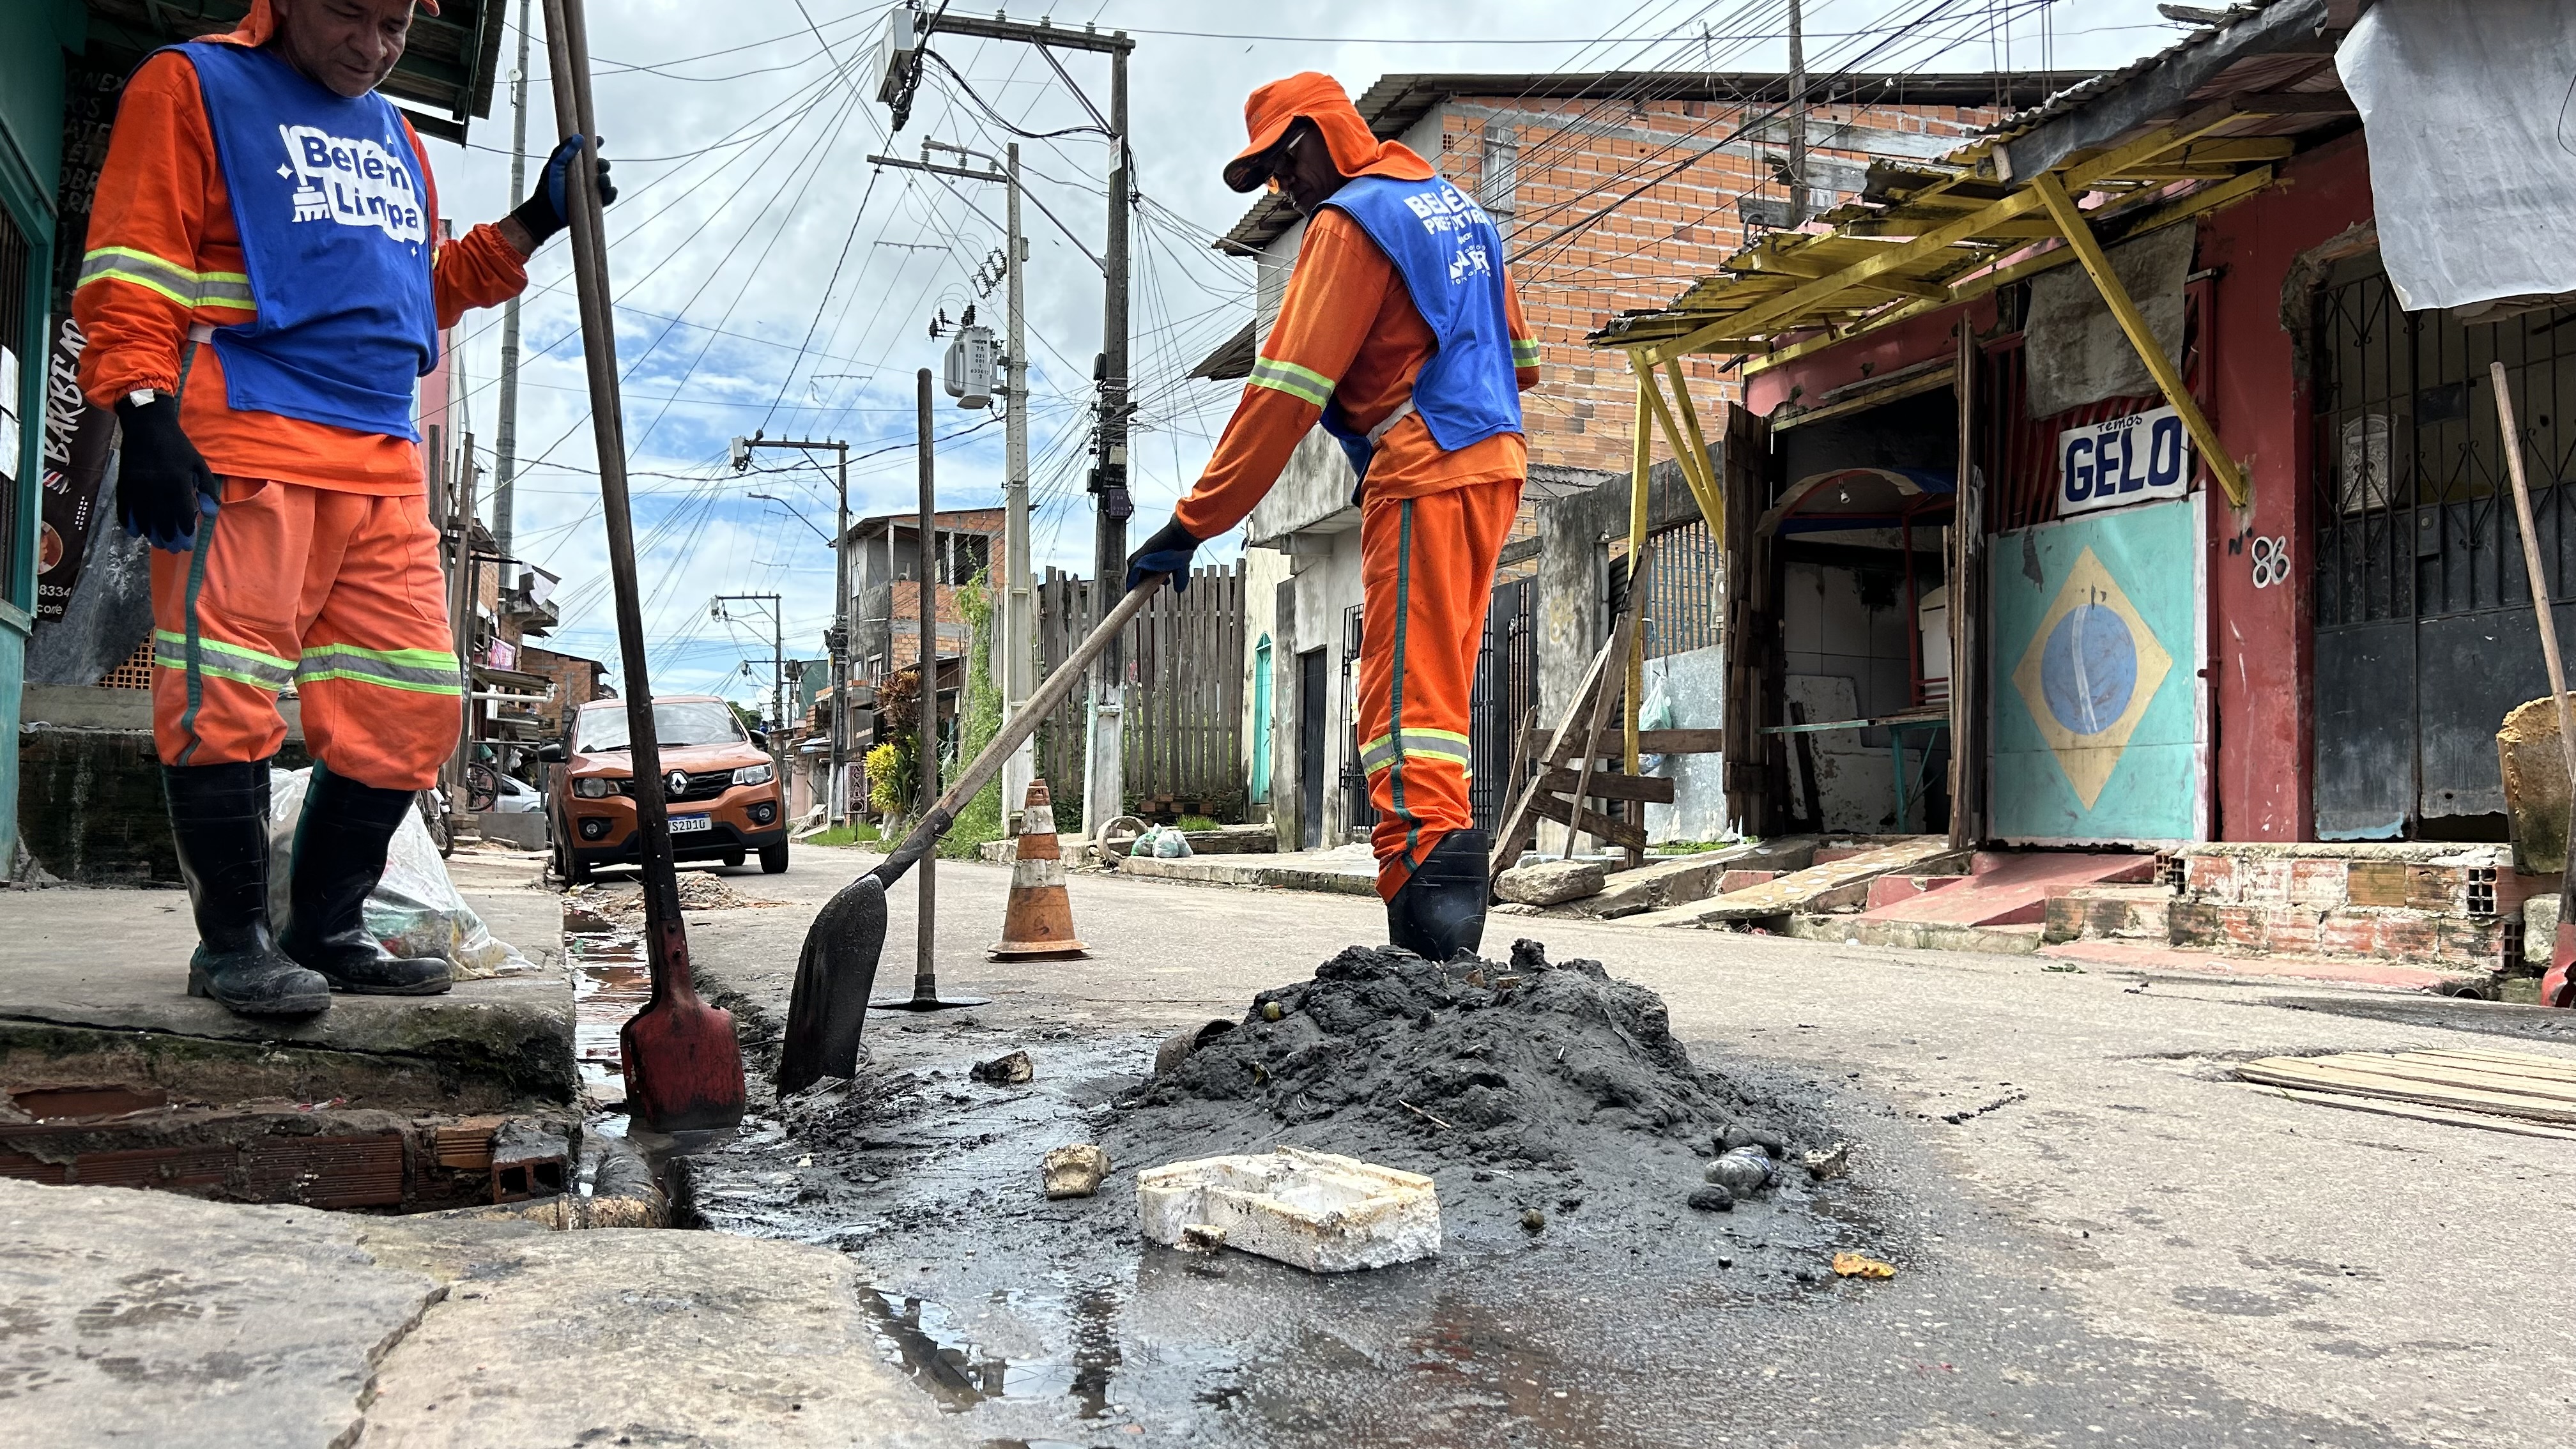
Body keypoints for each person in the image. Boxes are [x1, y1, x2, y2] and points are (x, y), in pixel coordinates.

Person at [75, 0, 614, 1016]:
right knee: (222, 697)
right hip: (244, 440)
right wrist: (141, 408)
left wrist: (537, 221)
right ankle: (231, 944)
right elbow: (134, 267)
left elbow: (423, 291)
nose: (372, 48)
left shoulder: (397, 137)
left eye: (396, 26)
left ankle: (323, 928)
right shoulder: (193, 85)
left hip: (381, 464)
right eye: (347, 17)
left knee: (410, 704)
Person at [1125, 72, 1539, 962]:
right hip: (1494, 457)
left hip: (1428, 468)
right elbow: (1522, 360)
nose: (1285, 187)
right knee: (1438, 700)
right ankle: (1449, 932)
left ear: (1323, 133)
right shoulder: (1463, 214)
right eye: (1267, 177)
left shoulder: (1353, 224)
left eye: (1284, 162)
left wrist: (1191, 525)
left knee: (1398, 710)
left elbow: (1284, 392)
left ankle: (1429, 944)